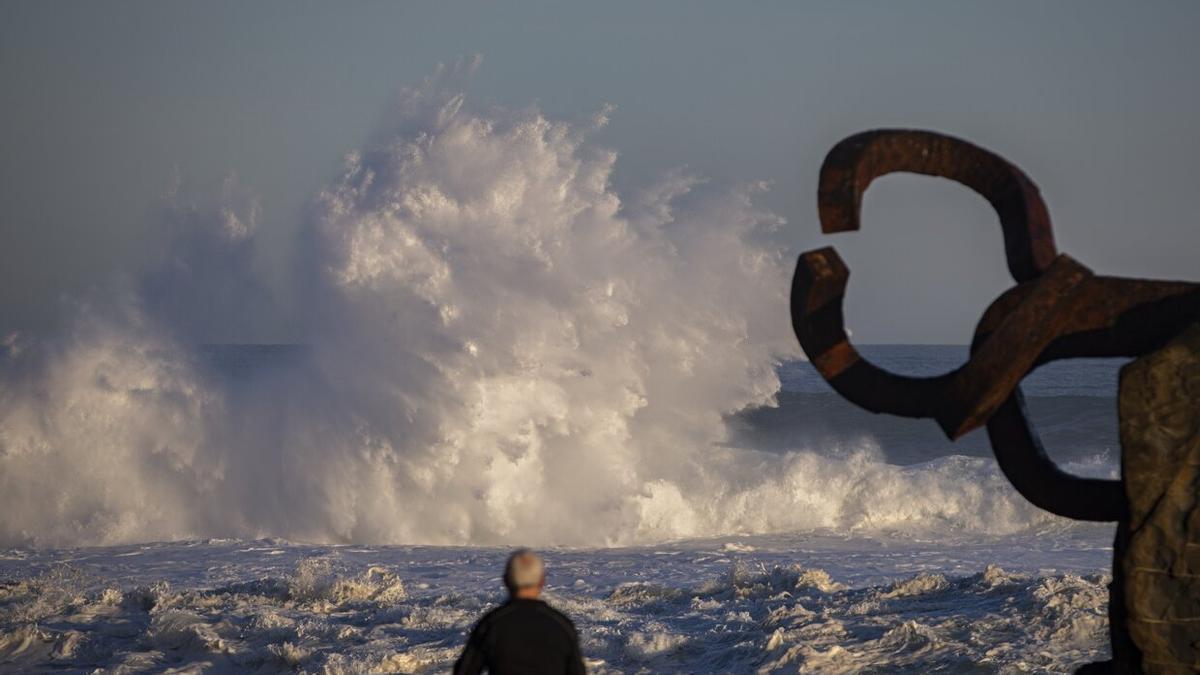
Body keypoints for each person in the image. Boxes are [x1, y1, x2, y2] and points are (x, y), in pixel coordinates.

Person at [453, 548, 586, 675]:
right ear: (542, 581)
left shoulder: (491, 624)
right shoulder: (561, 625)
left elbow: (464, 672)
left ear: (506, 580)